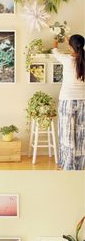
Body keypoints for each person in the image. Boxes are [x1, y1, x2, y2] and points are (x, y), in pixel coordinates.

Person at [52, 34, 85, 170]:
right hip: (83, 101)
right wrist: (70, 41)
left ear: (70, 46)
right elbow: (76, 48)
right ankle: (79, 166)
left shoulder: (66, 59)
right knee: (81, 134)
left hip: (67, 101)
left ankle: (68, 165)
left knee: (67, 134)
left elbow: (54, 49)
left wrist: (56, 39)